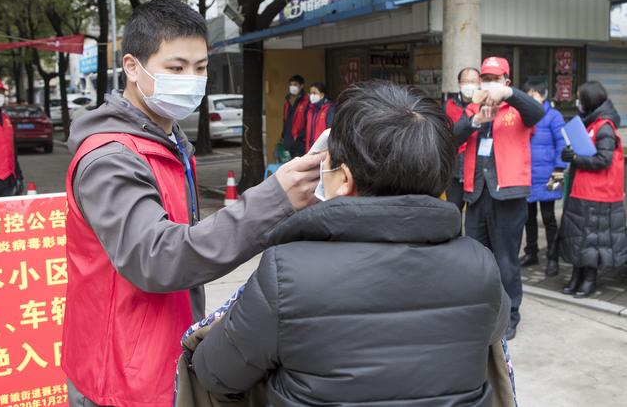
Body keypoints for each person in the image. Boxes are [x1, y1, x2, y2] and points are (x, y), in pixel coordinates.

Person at [61, 0, 323, 407]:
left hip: (161, 355)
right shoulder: (111, 158)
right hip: (121, 376)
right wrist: (273, 200)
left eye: (200, 68)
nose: (192, 79)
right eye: (176, 68)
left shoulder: (167, 141)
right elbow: (157, 257)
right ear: (132, 67)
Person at [191, 82, 510, 406]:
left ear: (343, 179)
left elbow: (214, 372)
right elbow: (491, 332)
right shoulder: (480, 265)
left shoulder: (286, 273)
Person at [453, 56, 545, 340]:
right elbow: (452, 139)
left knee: (506, 260)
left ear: (505, 81)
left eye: (494, 78)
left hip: (508, 194)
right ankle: (482, 311)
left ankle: (510, 315)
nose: (488, 83)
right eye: (485, 78)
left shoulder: (517, 110)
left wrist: (509, 95)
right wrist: (474, 121)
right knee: (478, 259)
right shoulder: (472, 109)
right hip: (478, 194)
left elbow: (537, 113)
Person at [557, 81, 627, 298]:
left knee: (592, 239)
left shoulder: (604, 126)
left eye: (580, 97)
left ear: (589, 99)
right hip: (582, 190)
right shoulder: (589, 123)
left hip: (598, 193)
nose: (578, 101)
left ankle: (589, 279)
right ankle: (576, 276)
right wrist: (570, 156)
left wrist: (577, 159)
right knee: (580, 237)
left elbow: (604, 160)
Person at [520, 81, 566, 276]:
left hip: (551, 174)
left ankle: (553, 258)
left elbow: (562, 145)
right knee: (528, 217)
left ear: (542, 95)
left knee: (549, 218)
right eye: (527, 94)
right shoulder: (524, 116)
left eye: (533, 94)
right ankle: (531, 252)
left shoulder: (554, 116)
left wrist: (558, 172)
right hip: (527, 175)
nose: (530, 98)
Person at [444, 67, 480, 211]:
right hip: (455, 172)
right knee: (454, 214)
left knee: (476, 217)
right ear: (459, 83)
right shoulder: (448, 105)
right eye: (465, 81)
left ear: (480, 82)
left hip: (477, 173)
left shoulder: (486, 105)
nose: (469, 85)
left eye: (473, 81)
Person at [282, 74, 309, 158]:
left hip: (300, 142)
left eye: (295, 85)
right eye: (290, 85)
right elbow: (285, 120)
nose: (292, 87)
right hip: (289, 141)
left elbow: (309, 122)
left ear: (301, 86)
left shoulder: (307, 101)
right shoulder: (287, 102)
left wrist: (300, 136)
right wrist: (283, 135)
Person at [304, 82, 334, 153]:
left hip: (323, 150)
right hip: (310, 149)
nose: (312, 95)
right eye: (310, 93)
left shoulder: (329, 109)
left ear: (322, 95)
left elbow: (330, 131)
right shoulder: (310, 109)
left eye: (314, 93)